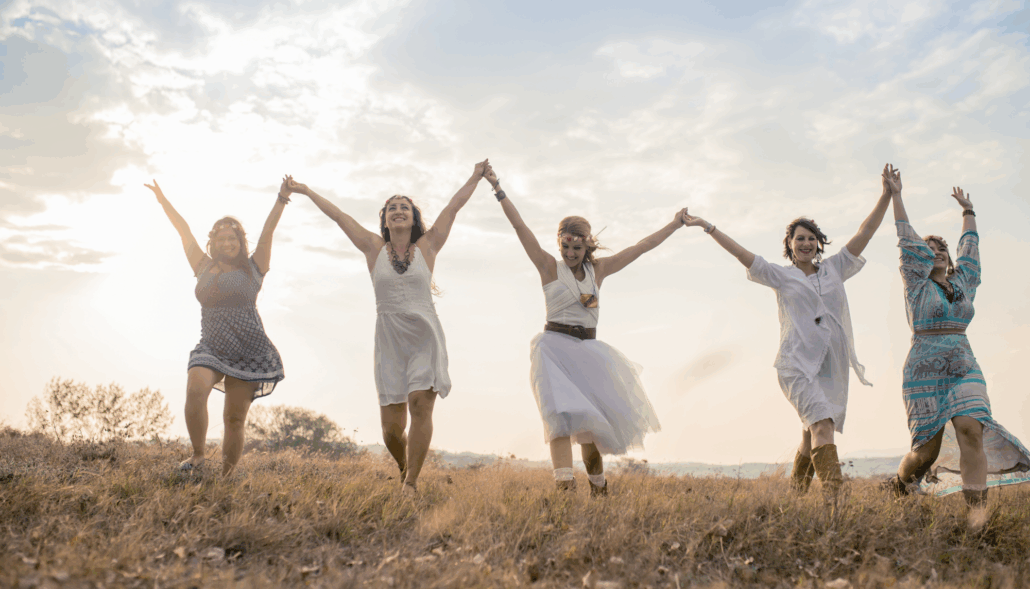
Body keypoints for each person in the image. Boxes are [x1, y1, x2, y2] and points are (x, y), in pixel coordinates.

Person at [680, 165, 896, 500]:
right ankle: (833, 504)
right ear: (790, 245)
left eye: (811, 238)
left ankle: (793, 499)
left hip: (830, 365)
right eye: (800, 238)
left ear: (818, 243)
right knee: (822, 426)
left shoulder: (836, 268)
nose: (806, 243)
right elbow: (741, 254)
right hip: (797, 364)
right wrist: (708, 226)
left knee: (812, 435)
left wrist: (886, 195)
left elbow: (865, 232)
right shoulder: (780, 276)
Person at [287, 162, 489, 493]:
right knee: (391, 432)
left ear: (413, 217)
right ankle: (404, 467)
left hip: (424, 335)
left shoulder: (428, 245)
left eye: (404, 207)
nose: (398, 211)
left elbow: (454, 207)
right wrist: (307, 191)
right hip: (390, 339)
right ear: (384, 219)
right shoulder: (372, 248)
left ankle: (410, 484)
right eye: (391, 208)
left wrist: (476, 176)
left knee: (420, 405)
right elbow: (340, 217)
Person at [485, 163, 669, 495]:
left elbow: (642, 246)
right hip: (553, 348)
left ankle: (599, 487)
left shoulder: (599, 271)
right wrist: (498, 189)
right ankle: (564, 487)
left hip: (590, 352)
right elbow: (518, 225)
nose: (570, 254)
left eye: (577, 248)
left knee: (590, 430)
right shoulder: (547, 266)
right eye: (565, 247)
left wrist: (675, 223)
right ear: (559, 244)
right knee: (558, 417)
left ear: (587, 247)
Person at [881, 171, 1030, 507]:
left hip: (964, 364)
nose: (934, 252)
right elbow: (906, 238)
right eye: (927, 249)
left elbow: (970, 250)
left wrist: (968, 212)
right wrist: (896, 196)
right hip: (924, 369)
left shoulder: (964, 281)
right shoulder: (916, 285)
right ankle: (901, 483)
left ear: (947, 257)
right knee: (925, 452)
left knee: (970, 430)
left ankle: (977, 517)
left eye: (939, 249)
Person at [144, 178, 291, 475]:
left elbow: (267, 233)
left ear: (240, 243)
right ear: (213, 242)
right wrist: (163, 201)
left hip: (249, 348)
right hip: (211, 344)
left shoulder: (253, 268)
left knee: (234, 419)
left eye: (232, 239)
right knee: (196, 387)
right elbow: (183, 231)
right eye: (221, 239)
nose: (227, 243)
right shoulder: (202, 266)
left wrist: (281, 198)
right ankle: (198, 457)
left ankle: (224, 479)